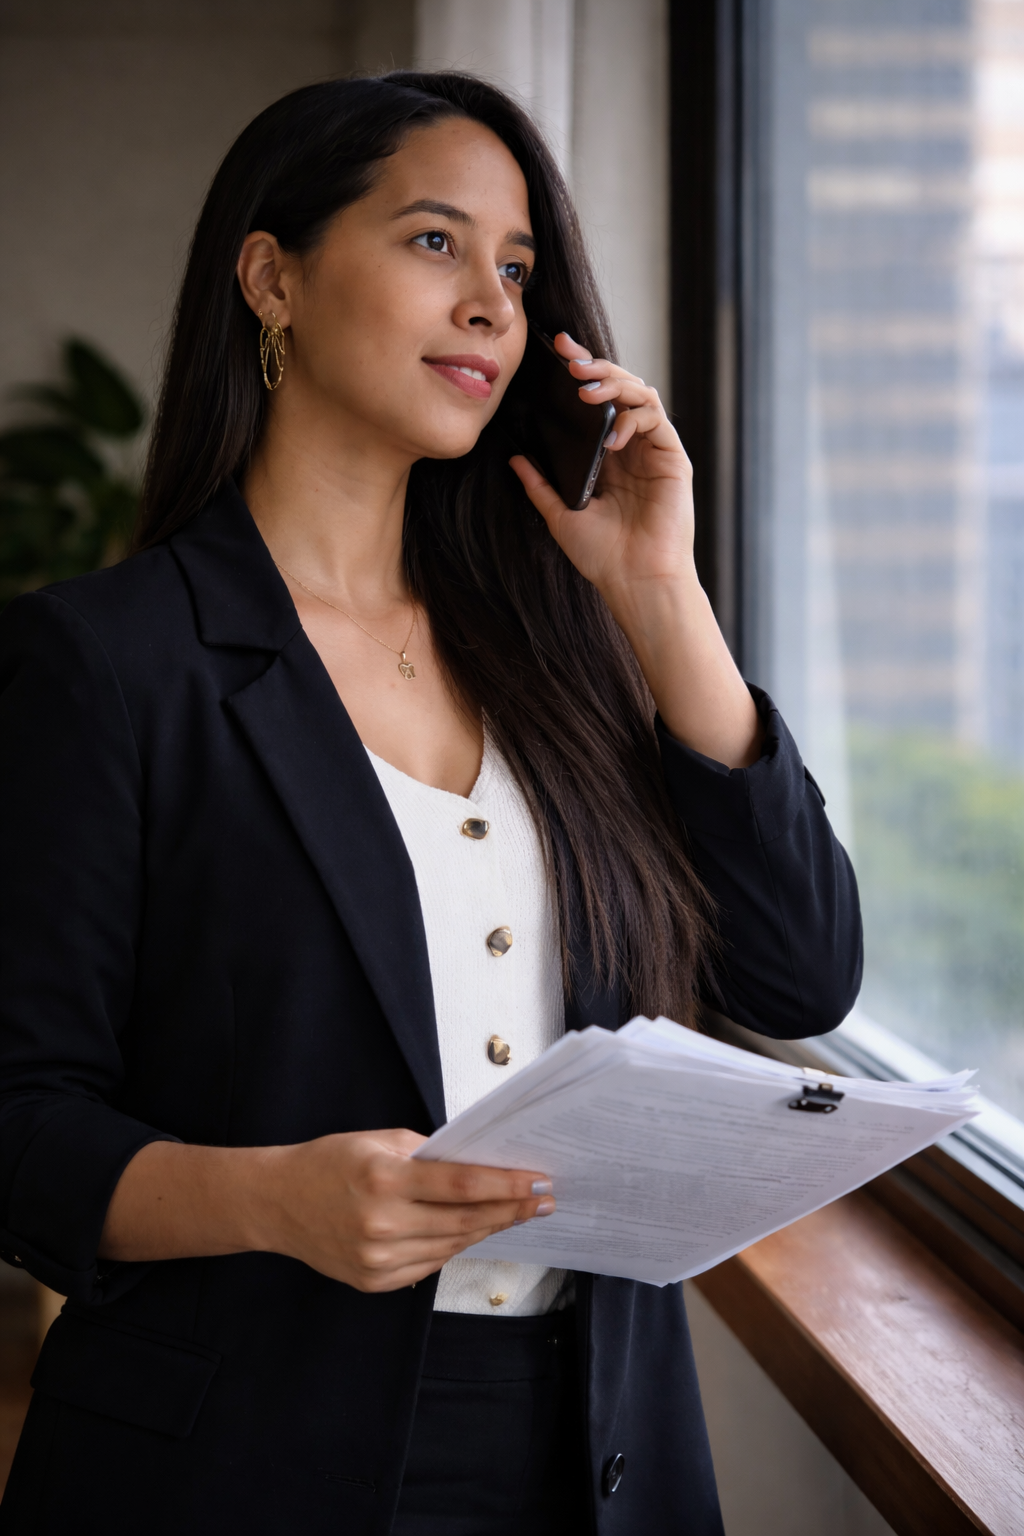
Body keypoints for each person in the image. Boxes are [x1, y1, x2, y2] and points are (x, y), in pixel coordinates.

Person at [0, 73, 861, 1536]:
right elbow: (19, 1124)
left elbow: (797, 973)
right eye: (435, 243)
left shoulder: (561, 655)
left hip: (604, 1452)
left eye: (517, 269)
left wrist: (661, 597)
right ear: (273, 275)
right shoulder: (103, 662)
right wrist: (275, 1201)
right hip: (233, 1460)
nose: (492, 305)